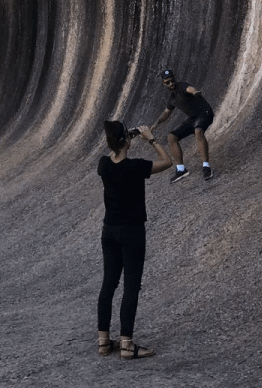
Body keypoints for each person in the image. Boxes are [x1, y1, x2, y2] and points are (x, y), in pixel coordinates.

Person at [96, 120, 173, 360]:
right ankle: (127, 345)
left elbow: (113, 153)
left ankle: (104, 342)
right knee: (131, 287)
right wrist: (150, 138)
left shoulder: (103, 165)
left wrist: (122, 139)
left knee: (108, 285)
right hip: (132, 233)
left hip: (109, 232)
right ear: (127, 140)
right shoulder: (136, 167)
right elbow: (167, 161)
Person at [150, 69, 214, 183]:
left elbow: (190, 89)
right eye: (167, 82)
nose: (171, 84)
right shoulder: (172, 98)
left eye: (172, 80)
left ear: (174, 78)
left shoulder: (182, 85)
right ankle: (181, 169)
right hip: (193, 118)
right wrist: (157, 122)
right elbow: (166, 112)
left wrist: (195, 92)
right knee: (172, 137)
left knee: (198, 131)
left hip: (205, 114)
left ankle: (206, 166)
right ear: (163, 83)